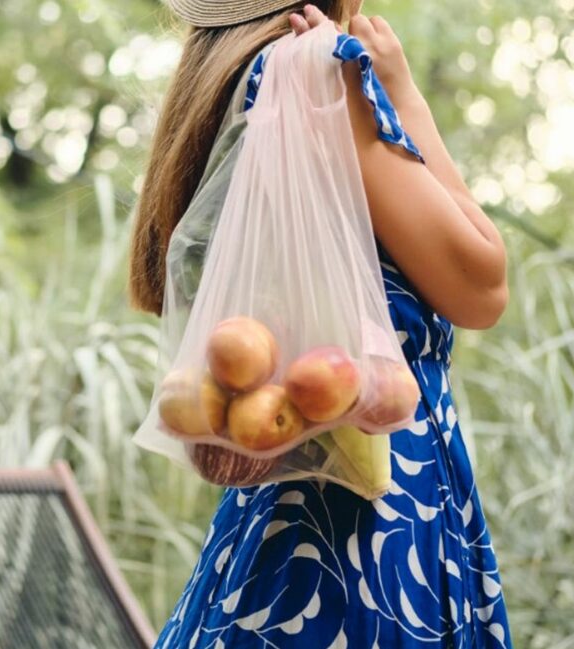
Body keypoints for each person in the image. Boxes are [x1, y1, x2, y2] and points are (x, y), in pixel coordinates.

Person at [127, 0, 514, 646]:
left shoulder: (232, 83)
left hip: (284, 507)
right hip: (371, 518)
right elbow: (482, 286)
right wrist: (404, 96)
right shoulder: (319, 72)